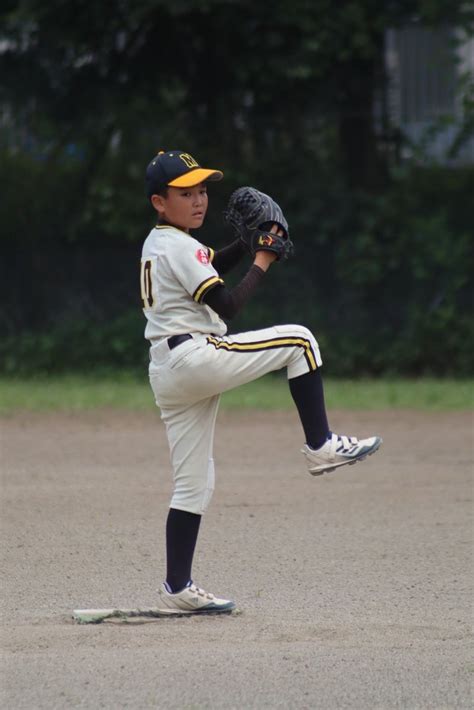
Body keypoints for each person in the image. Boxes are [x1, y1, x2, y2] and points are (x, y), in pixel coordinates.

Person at [140, 150, 382, 615]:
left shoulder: (160, 243)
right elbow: (227, 305)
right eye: (184, 193)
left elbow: (210, 263)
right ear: (158, 201)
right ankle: (321, 444)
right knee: (300, 340)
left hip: (167, 371)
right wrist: (264, 258)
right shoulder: (180, 245)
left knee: (193, 484)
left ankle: (176, 588)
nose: (198, 200)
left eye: (202, 190)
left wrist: (248, 243)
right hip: (195, 356)